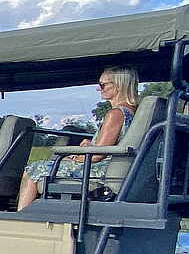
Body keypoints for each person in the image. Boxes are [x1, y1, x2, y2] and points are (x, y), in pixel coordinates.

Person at [17, 66, 140, 209]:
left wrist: (75, 157)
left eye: (102, 85)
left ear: (119, 85)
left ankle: (21, 216)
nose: (98, 89)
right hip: (112, 167)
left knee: (33, 169)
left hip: (98, 170)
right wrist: (90, 145)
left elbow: (97, 156)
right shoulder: (133, 111)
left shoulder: (116, 114)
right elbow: (110, 145)